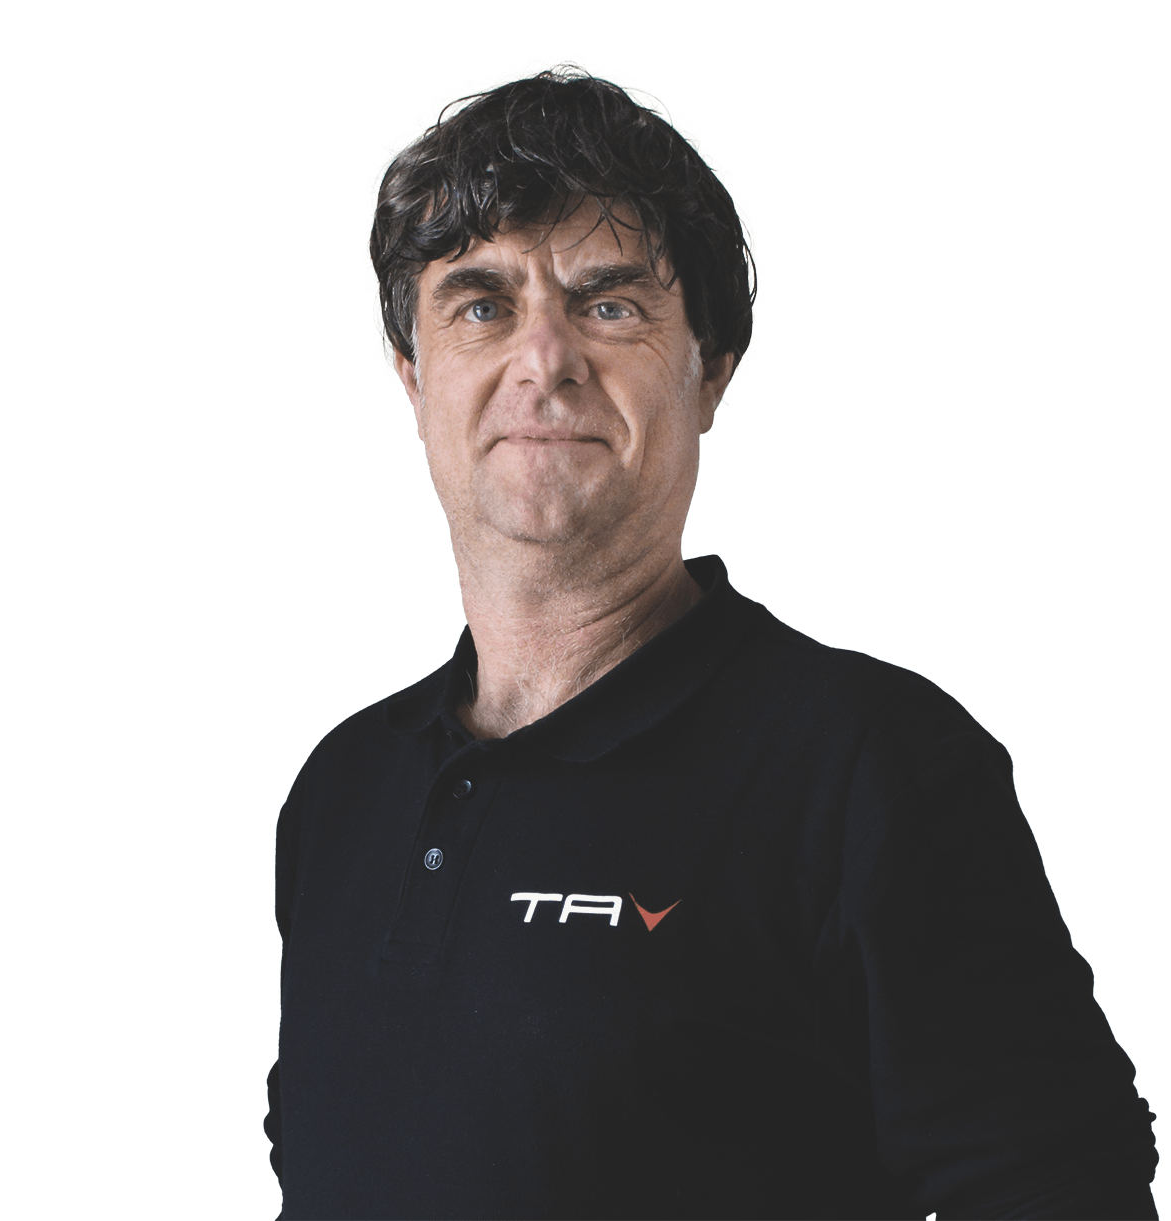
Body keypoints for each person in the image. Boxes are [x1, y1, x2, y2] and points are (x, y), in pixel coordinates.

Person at [263, 67, 1158, 1220]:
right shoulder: (343, 791)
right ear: (411, 373)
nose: (543, 361)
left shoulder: (870, 770)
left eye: (608, 304)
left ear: (711, 370)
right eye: (481, 305)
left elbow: (1061, 1188)